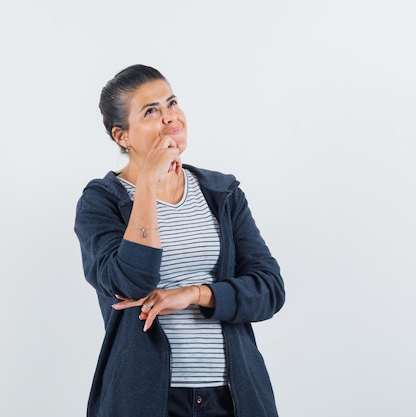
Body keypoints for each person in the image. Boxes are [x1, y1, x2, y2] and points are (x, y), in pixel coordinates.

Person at [73, 64, 285, 417]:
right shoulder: (102, 201)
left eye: (171, 103)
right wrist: (145, 188)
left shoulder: (222, 192)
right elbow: (129, 281)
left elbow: (269, 290)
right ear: (122, 135)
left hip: (234, 397)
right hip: (145, 399)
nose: (170, 117)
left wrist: (196, 293)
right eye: (151, 111)